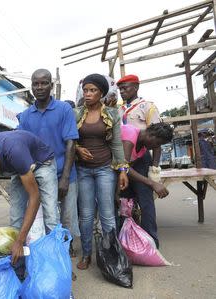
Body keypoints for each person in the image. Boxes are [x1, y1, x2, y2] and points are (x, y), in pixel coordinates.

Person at [0, 130, 59, 264]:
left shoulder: (15, 151)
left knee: (51, 217)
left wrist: (20, 241)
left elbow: (35, 197)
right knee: (16, 218)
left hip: (43, 163)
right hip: (19, 167)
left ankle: (58, 264)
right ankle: (18, 265)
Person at [17, 69, 80, 256]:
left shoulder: (64, 109)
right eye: (35, 84)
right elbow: (21, 143)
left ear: (51, 86)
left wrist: (66, 178)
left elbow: (71, 142)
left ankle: (64, 258)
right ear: (31, 87)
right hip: (40, 177)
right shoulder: (26, 116)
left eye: (44, 83)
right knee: (45, 219)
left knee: (67, 219)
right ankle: (51, 258)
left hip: (65, 173)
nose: (40, 87)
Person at [74, 73, 129, 270]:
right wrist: (78, 150)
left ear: (102, 93)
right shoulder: (76, 113)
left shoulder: (113, 114)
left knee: (107, 214)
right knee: (86, 215)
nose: (88, 94)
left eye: (93, 90)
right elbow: (70, 140)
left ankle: (111, 254)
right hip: (83, 171)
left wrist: (122, 170)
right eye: (86, 90)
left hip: (105, 168)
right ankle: (87, 254)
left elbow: (116, 144)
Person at [117, 74, 162, 247]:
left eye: (125, 87)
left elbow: (157, 138)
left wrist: (155, 168)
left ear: (136, 87)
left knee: (145, 200)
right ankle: (128, 240)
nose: (122, 91)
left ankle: (151, 242)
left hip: (141, 155)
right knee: (125, 201)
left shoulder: (147, 107)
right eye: (120, 88)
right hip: (123, 158)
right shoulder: (119, 109)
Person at [121, 123, 173, 200]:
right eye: (158, 143)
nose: (157, 147)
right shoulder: (130, 135)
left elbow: (127, 168)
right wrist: (152, 183)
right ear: (151, 135)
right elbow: (123, 167)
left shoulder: (143, 148)